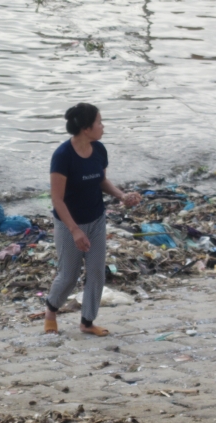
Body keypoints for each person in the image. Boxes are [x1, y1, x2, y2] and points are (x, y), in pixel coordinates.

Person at [44, 103, 141, 336]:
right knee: (69, 274)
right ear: (86, 128)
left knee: (97, 271)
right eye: (99, 122)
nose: (103, 126)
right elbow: (57, 199)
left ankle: (87, 322)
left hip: (96, 218)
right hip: (69, 223)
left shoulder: (99, 150)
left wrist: (122, 195)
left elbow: (101, 181)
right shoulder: (62, 156)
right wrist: (75, 230)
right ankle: (50, 310)